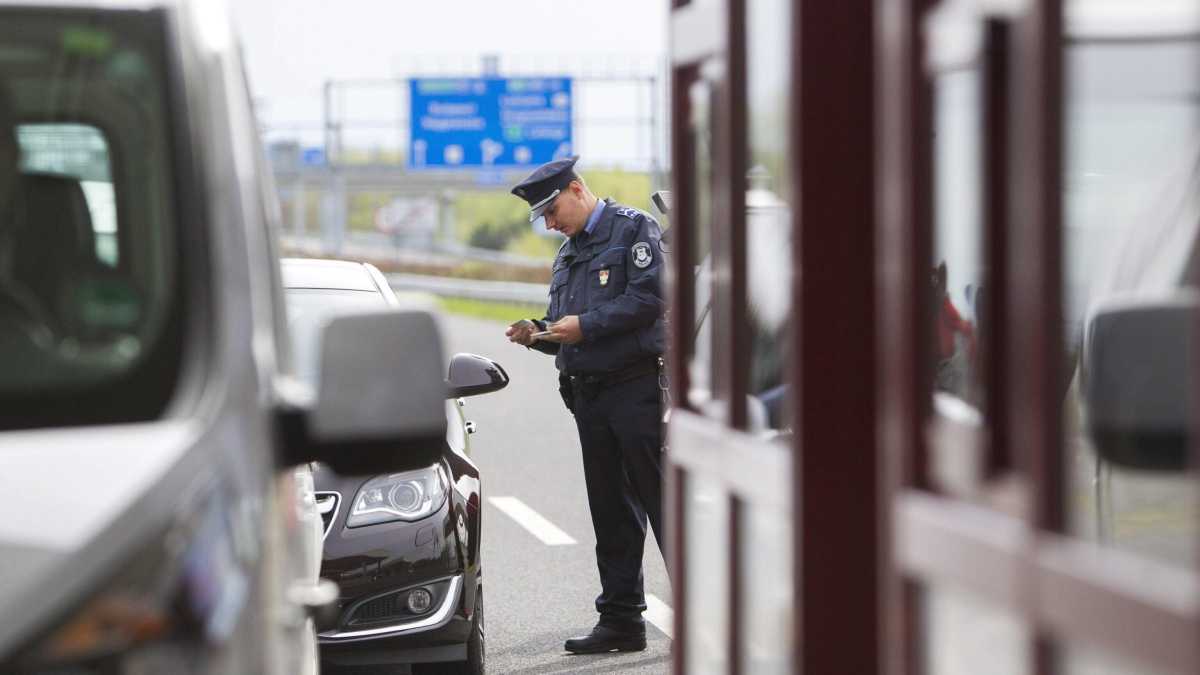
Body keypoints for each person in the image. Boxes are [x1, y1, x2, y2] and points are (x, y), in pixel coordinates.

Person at [505, 155, 668, 654]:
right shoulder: (568, 255)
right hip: (591, 397)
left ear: (576, 190)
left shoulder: (633, 230)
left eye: (553, 211)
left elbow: (652, 298)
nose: (551, 224)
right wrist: (539, 333)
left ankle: (711, 615)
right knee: (611, 515)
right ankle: (621, 620)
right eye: (544, 218)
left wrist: (585, 327)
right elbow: (567, 326)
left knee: (665, 505)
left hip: (636, 391)